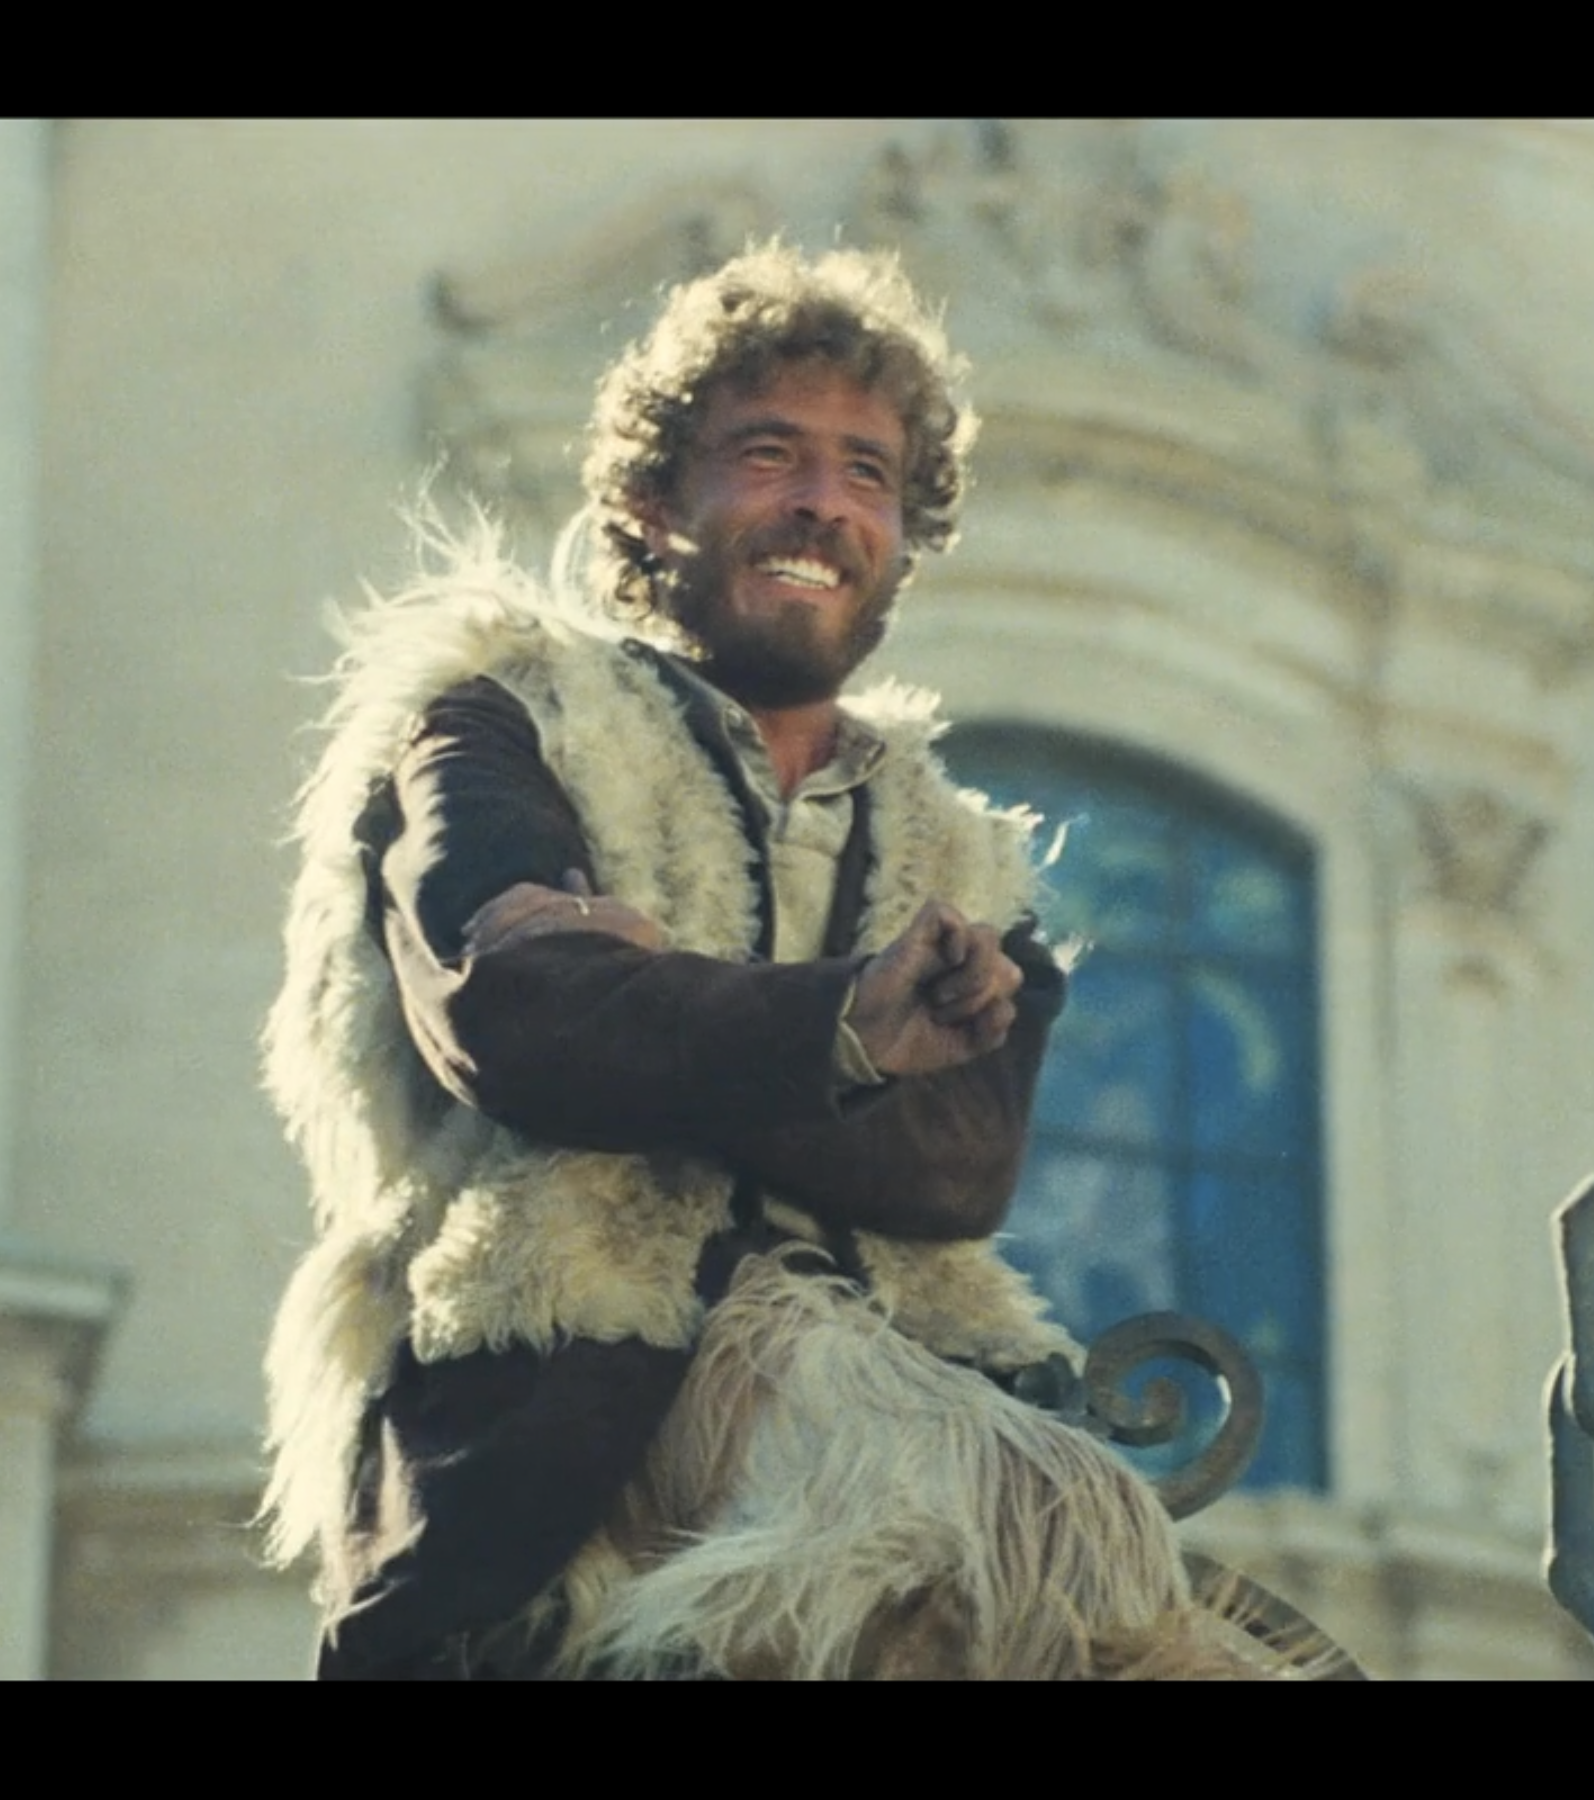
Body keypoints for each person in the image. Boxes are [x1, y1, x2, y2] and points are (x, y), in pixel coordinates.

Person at [255, 245, 1231, 1679]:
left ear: (902, 537)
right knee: (1046, 1520)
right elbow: (518, 1022)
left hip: (902, 1426)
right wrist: (847, 1033)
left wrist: (659, 1015)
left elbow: (956, 1169)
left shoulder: (965, 861)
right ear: (655, 504)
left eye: (867, 472)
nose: (822, 501)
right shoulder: (506, 723)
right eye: (770, 453)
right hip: (563, 1463)